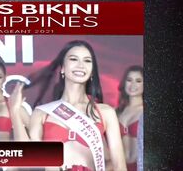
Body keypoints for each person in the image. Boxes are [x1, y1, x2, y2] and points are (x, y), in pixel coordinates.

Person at [8, 40, 127, 170]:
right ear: (63, 68)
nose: (81, 65)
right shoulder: (43, 113)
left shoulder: (105, 112)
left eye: (87, 61)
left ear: (92, 71)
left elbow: (119, 166)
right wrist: (14, 112)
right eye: (74, 59)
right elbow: (29, 159)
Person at [116, 65, 144, 171]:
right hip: (119, 167)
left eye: (138, 81)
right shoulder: (116, 112)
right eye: (129, 80)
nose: (133, 85)